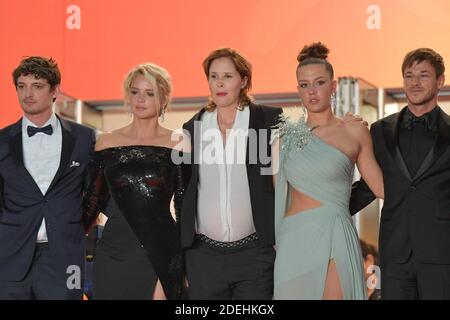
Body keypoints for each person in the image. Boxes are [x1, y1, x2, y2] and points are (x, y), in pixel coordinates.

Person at [272, 42, 384, 300]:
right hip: (294, 240)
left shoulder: (354, 131)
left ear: (333, 86)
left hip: (335, 233)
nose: (312, 91)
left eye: (319, 83)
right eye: (304, 84)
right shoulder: (283, 138)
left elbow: (380, 187)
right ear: (298, 89)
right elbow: (278, 197)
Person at [83, 63, 190, 300]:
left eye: (149, 93)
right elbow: (92, 201)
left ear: (163, 99)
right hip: (112, 252)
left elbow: (184, 207)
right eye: (135, 91)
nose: (140, 99)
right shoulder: (106, 142)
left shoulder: (179, 142)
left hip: (160, 252)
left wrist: (186, 261)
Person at [181, 47, 282, 299]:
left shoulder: (268, 120)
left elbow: (281, 185)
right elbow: (183, 191)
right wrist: (184, 251)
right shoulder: (192, 127)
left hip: (256, 253)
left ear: (244, 80)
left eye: (228, 76)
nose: (219, 83)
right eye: (213, 76)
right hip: (203, 257)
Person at [350, 48, 450, 300]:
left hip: (441, 254)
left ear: (440, 81)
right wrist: (327, 210)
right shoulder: (379, 130)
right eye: (409, 75)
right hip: (395, 254)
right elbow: (368, 186)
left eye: (423, 75)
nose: (414, 83)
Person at [0, 56, 96, 299]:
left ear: (55, 91)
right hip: (10, 258)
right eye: (21, 86)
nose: (27, 94)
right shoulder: (1, 141)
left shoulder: (85, 138)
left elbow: (94, 193)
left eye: (37, 86)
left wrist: (74, 224)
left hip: (65, 258)